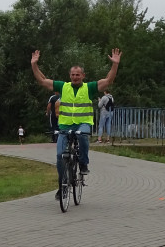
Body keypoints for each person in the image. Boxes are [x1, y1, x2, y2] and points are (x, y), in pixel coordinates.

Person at [31, 48, 121, 200]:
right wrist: (34, 65)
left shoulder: (89, 87)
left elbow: (108, 81)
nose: (75, 77)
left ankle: (84, 163)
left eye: (78, 75)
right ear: (69, 76)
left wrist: (115, 65)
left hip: (82, 124)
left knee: (83, 136)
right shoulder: (63, 86)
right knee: (60, 156)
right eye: (72, 75)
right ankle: (63, 186)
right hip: (65, 126)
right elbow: (42, 81)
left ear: (83, 76)